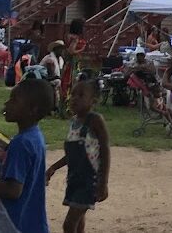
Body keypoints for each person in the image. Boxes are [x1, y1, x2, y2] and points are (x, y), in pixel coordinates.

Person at [0, 78, 54, 233]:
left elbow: (13, 191)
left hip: (15, 224)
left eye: (14, 100)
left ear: (32, 109)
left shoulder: (21, 143)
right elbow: (16, 170)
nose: (7, 104)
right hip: (31, 222)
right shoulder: (34, 137)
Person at [45, 80, 111, 233]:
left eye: (81, 95)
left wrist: (103, 182)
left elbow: (105, 151)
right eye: (72, 94)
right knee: (79, 222)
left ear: (93, 101)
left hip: (89, 182)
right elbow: (72, 155)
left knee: (69, 225)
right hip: (74, 180)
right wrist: (53, 168)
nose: (74, 98)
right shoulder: (74, 122)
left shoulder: (95, 120)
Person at [61, 19, 87, 111]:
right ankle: (69, 106)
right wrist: (82, 49)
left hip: (68, 63)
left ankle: (65, 104)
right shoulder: (75, 38)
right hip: (73, 64)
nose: (84, 29)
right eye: (83, 27)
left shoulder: (69, 36)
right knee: (71, 82)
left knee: (67, 82)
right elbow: (71, 51)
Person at [41, 40, 66, 114]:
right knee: (55, 82)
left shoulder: (61, 60)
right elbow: (50, 74)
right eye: (60, 49)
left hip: (55, 78)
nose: (62, 51)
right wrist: (59, 79)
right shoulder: (50, 59)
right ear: (56, 49)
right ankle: (53, 107)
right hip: (44, 78)